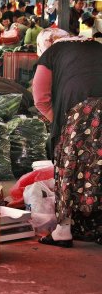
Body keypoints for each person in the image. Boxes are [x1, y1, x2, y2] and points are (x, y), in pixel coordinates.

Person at [33, 28, 102, 247]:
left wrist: (61, 125)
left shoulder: (52, 53)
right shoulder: (96, 46)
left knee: (69, 168)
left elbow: (41, 98)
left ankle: (63, 231)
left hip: (81, 112)